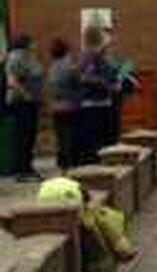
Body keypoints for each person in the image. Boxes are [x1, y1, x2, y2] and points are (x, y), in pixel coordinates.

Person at [38, 176, 136, 272]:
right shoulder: (90, 212)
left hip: (48, 196)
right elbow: (113, 233)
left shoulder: (53, 189)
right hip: (70, 200)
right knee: (93, 225)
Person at [5, 34, 43, 182]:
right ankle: (22, 171)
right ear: (26, 43)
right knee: (23, 136)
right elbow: (12, 80)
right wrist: (26, 95)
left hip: (30, 102)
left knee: (30, 136)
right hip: (21, 102)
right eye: (33, 42)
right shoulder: (16, 57)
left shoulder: (27, 56)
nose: (35, 44)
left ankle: (28, 167)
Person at [78, 25, 116, 165]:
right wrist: (105, 83)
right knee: (97, 138)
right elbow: (85, 77)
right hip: (93, 102)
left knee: (101, 137)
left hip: (101, 101)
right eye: (104, 36)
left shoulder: (99, 55)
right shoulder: (89, 55)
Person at [47, 39, 82, 170]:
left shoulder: (52, 67)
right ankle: (72, 160)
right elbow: (78, 83)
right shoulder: (70, 66)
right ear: (66, 51)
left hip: (56, 106)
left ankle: (62, 161)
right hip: (71, 105)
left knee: (60, 135)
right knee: (71, 135)